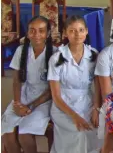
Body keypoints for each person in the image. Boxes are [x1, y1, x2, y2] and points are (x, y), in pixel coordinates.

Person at [1, 17, 54, 153]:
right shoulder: (21, 50)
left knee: (24, 136)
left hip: (44, 101)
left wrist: (30, 106)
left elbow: (52, 90)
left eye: (41, 31)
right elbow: (16, 81)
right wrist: (18, 104)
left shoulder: (55, 53)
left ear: (48, 33)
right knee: (7, 134)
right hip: (23, 97)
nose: (36, 35)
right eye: (32, 31)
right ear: (28, 33)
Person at [47, 16, 100, 152]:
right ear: (65, 33)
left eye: (81, 30)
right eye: (72, 30)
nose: (77, 34)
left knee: (95, 132)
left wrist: (96, 109)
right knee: (79, 132)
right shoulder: (57, 58)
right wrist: (75, 116)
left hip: (87, 104)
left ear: (87, 31)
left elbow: (98, 86)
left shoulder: (94, 55)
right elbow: (56, 97)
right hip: (63, 108)